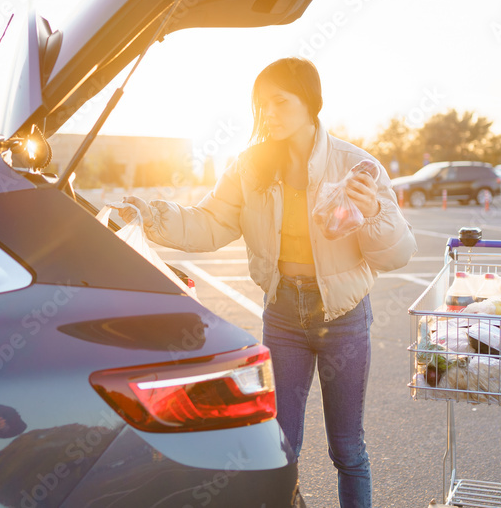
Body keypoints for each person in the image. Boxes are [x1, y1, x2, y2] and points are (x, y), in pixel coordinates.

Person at [122, 56, 416, 508]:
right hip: (282, 314)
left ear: (311, 102)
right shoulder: (250, 166)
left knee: (347, 448)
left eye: (281, 102)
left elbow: (397, 254)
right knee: (280, 448)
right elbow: (209, 223)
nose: (270, 113)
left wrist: (374, 213)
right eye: (263, 104)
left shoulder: (357, 166)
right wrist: (152, 217)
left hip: (343, 316)